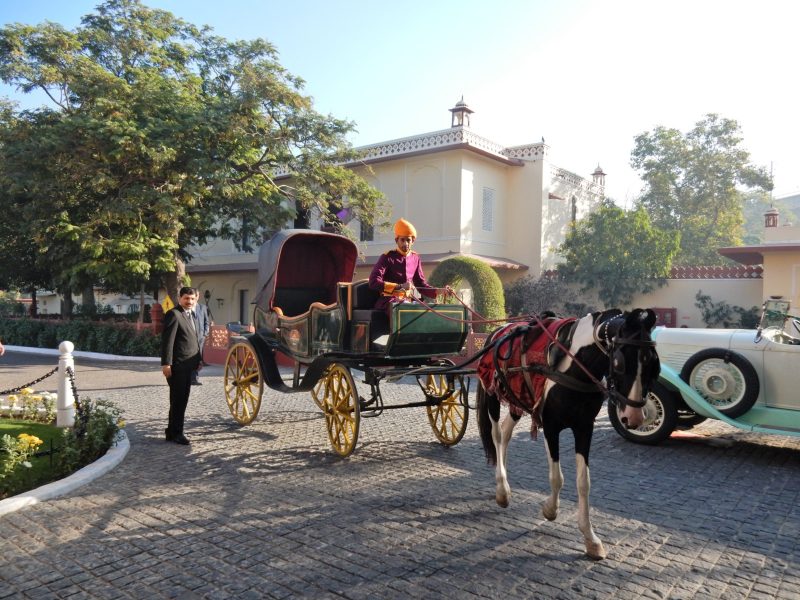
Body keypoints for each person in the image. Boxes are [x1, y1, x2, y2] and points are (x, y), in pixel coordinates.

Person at [160, 286, 202, 445]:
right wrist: (166, 364)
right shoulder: (174, 314)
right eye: (186, 298)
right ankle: (177, 433)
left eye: (192, 299)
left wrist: (199, 360)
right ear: (179, 298)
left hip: (189, 365)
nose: (189, 301)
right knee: (178, 400)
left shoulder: (193, 315)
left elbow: (195, 341)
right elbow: (167, 342)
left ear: (196, 299)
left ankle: (171, 431)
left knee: (181, 399)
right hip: (177, 366)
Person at [369, 218, 436, 315]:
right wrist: (399, 286)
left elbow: (421, 284)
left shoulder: (415, 258)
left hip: (408, 300)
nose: (405, 243)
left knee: (426, 312)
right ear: (396, 240)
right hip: (389, 301)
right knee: (403, 309)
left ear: (413, 241)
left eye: (408, 240)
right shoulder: (387, 257)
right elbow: (373, 282)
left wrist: (438, 291)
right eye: (402, 240)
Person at [190, 302, 210, 385]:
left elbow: (206, 322)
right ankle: (190, 377)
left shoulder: (202, 307)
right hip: (190, 336)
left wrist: (205, 333)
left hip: (200, 337)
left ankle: (194, 377)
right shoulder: (187, 307)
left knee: (198, 358)